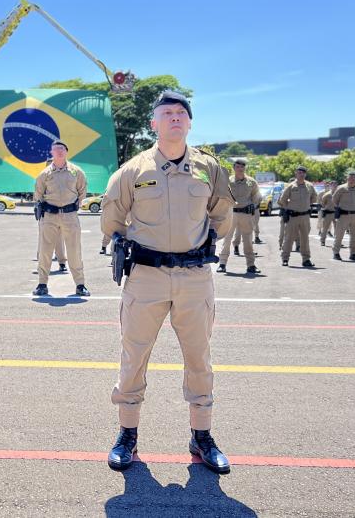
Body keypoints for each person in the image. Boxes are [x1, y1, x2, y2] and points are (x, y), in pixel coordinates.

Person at [101, 91, 234, 474]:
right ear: (153, 124)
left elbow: (223, 215)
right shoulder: (132, 171)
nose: (175, 118)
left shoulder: (209, 168)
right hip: (146, 277)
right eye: (167, 113)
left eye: (181, 113)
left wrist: (200, 241)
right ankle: (127, 434)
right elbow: (111, 220)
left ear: (189, 123)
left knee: (199, 358)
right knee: (134, 356)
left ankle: (201, 436)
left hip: (194, 277)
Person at [33, 140, 89, 297]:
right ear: (51, 152)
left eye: (62, 149)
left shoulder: (76, 172)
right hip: (49, 216)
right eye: (56, 149)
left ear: (66, 152)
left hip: (70, 215)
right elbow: (38, 195)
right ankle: (42, 284)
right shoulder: (44, 174)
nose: (59, 151)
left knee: (74, 250)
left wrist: (73, 205)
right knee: (45, 250)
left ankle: (80, 285)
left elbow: (82, 191)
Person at [217, 158, 260, 274]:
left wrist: (253, 206)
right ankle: (222, 264)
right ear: (234, 168)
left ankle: (251, 265)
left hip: (246, 214)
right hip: (231, 213)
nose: (240, 169)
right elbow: (221, 195)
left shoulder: (251, 182)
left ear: (245, 168)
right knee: (227, 239)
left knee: (248, 240)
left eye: (242, 167)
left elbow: (256, 196)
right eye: (237, 166)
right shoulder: (228, 181)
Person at [279, 165, 318, 268]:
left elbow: (314, 198)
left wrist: (306, 204)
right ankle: (285, 258)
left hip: (305, 216)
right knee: (289, 238)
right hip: (293, 216)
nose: (301, 174)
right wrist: (288, 208)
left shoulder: (309, 186)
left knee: (305, 239)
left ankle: (306, 259)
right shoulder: (291, 186)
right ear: (296, 173)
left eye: (303, 173)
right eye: (299, 172)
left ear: (305, 174)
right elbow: (282, 200)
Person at [332, 171, 355, 261]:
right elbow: (334, 200)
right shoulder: (341, 188)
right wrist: (340, 208)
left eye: (354, 178)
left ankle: (353, 253)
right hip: (344, 215)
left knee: (354, 235)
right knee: (339, 235)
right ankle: (336, 252)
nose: (352, 180)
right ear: (347, 179)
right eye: (350, 178)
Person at [317, 181, 337, 246]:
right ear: (331, 186)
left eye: (336, 185)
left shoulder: (339, 193)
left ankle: (337, 241)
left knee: (338, 228)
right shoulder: (327, 195)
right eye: (333, 185)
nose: (334, 186)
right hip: (328, 213)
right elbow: (322, 204)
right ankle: (322, 240)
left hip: (336, 213)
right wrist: (326, 208)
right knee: (325, 228)